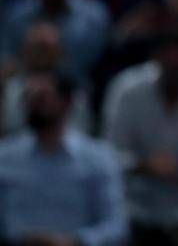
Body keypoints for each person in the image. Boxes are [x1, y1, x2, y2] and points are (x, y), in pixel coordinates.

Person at [105, 21, 178, 246]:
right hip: (136, 212)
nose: (175, 61)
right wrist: (144, 165)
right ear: (156, 55)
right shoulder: (128, 89)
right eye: (168, 54)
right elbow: (109, 155)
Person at [0, 70, 129, 246]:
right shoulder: (5, 157)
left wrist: (75, 241)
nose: (33, 104)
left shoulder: (97, 159)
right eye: (28, 97)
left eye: (41, 98)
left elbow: (116, 225)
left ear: (66, 102)